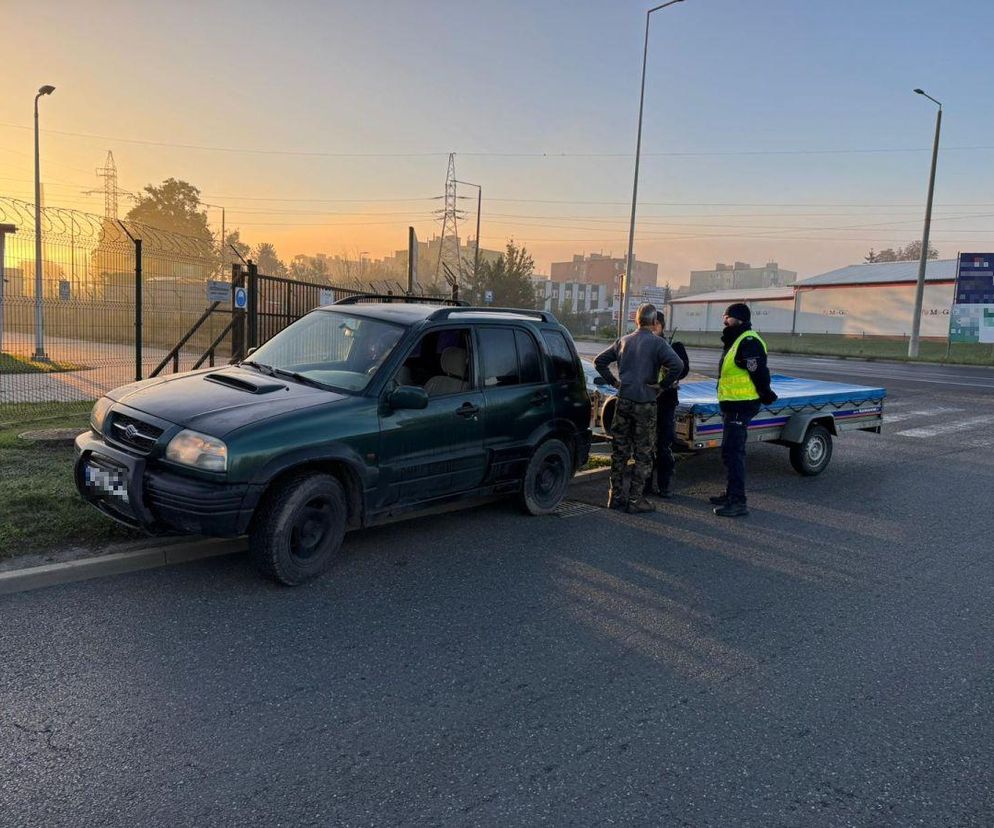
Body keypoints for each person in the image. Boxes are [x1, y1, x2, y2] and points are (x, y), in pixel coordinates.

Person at [594, 303, 684, 514]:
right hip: (645, 403)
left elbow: (599, 362)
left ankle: (615, 497)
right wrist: (663, 385)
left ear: (636, 321)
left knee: (620, 451)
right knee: (643, 452)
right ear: (654, 323)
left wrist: (614, 382)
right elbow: (677, 365)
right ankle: (635, 500)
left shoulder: (623, 341)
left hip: (623, 401)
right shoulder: (658, 343)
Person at [711, 303, 778, 518]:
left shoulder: (748, 341)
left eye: (727, 317)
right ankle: (731, 493)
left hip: (742, 404)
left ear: (738, 318)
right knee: (728, 451)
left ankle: (738, 502)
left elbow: (759, 373)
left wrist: (766, 394)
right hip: (732, 404)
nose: (724, 320)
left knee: (734, 453)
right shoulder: (736, 340)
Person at [644, 310, 689, 499]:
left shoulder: (673, 346)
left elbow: (683, 368)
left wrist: (669, 374)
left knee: (664, 445)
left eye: (656, 324)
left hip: (666, 403)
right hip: (646, 401)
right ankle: (645, 485)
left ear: (662, 325)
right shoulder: (643, 345)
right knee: (645, 446)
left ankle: (664, 485)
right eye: (650, 324)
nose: (653, 328)